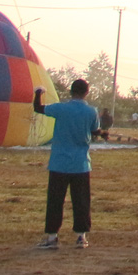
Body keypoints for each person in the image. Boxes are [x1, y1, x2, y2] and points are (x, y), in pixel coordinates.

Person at [33, 79, 99, 248]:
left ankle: (52, 237)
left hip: (59, 163)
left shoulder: (60, 108)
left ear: (71, 92)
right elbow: (94, 132)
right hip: (81, 164)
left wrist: (38, 93)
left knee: (55, 201)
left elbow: (38, 108)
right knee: (81, 201)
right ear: (86, 92)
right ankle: (81, 237)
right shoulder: (91, 111)